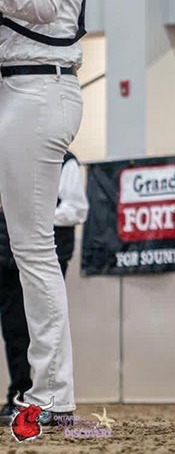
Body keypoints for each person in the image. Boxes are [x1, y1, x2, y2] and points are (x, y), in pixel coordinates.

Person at [0, 0, 87, 422]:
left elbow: (45, 0)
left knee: (32, 251)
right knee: (27, 249)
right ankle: (46, 390)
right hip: (18, 90)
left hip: (38, 90)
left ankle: (52, 395)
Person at [0, 151, 88, 423]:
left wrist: (30, 218)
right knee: (14, 327)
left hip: (48, 251)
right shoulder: (9, 159)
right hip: (7, 254)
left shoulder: (64, 161)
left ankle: (51, 397)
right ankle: (19, 394)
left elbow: (76, 209)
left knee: (44, 320)